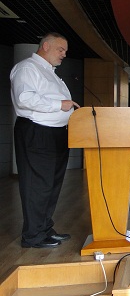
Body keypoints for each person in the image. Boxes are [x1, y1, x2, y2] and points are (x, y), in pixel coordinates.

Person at [11, 32, 80, 248]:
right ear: (46, 46)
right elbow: (24, 99)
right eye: (61, 49)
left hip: (56, 134)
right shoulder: (27, 68)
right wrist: (59, 105)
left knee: (51, 185)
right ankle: (32, 236)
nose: (64, 54)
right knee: (37, 185)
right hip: (37, 132)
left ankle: (44, 229)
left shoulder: (49, 72)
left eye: (65, 51)